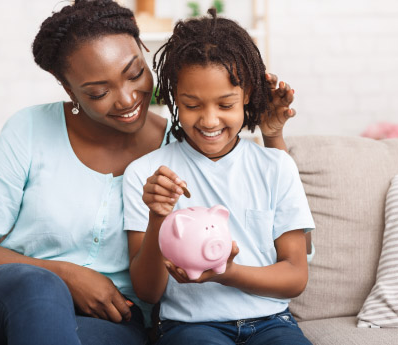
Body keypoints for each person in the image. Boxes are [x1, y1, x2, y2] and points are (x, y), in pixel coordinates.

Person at [0, 1, 298, 345]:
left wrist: (273, 136)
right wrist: (66, 276)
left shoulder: (184, 145)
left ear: (144, 49)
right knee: (39, 287)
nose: (126, 99)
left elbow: (275, 239)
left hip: (111, 317)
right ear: (68, 89)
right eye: (99, 92)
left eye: (135, 73)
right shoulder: (29, 130)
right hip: (9, 299)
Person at [123, 8, 315, 345]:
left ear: (247, 95)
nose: (210, 121)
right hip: (190, 326)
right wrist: (157, 217)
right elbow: (148, 292)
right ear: (173, 99)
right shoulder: (146, 175)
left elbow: (296, 276)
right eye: (192, 104)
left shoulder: (276, 166)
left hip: (272, 323)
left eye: (225, 104)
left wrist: (228, 273)